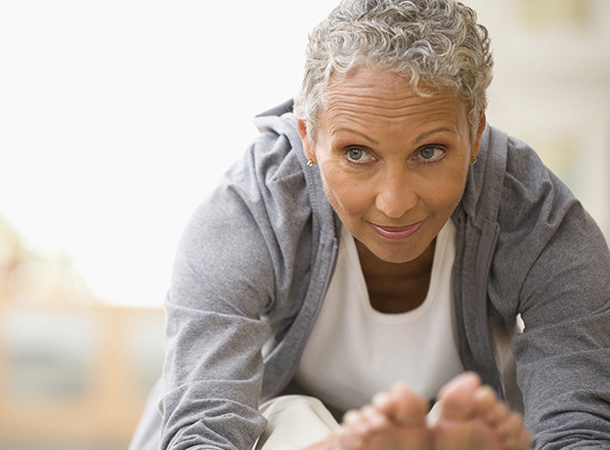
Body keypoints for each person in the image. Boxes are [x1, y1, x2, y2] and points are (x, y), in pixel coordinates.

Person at [129, 0, 610, 449]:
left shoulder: (536, 217)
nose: (395, 203)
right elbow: (205, 425)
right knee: (290, 417)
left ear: (476, 133)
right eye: (357, 153)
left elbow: (578, 422)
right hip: (283, 434)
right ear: (309, 138)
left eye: (430, 152)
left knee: (474, 417)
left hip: (464, 429)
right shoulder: (251, 209)